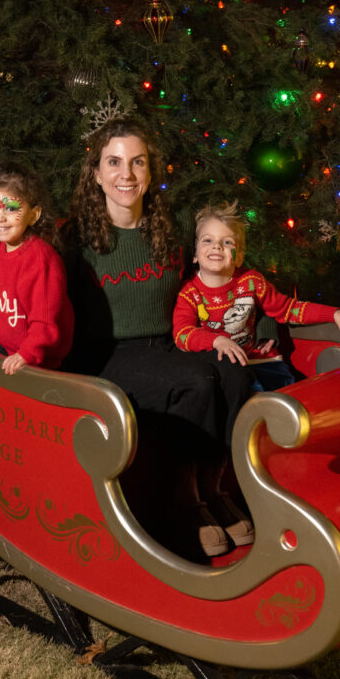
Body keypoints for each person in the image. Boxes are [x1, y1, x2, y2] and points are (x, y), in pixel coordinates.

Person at [63, 117, 257, 559]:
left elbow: (214, 275)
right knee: (196, 383)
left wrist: (255, 320)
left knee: (234, 374)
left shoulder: (168, 226)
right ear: (96, 173)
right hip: (107, 354)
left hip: (170, 342)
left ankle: (216, 489)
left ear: (151, 170)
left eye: (137, 162)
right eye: (113, 163)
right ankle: (183, 503)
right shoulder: (75, 239)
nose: (126, 175)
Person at [173, 201, 340, 396]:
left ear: (239, 256)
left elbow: (288, 308)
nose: (216, 246)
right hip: (223, 368)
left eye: (227, 242)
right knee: (249, 400)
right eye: (207, 240)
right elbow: (182, 334)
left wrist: (334, 314)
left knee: (289, 398)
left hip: (261, 360)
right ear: (195, 255)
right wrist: (216, 341)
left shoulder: (251, 281)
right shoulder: (189, 293)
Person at [0, 163, 74, 375]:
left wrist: (26, 354)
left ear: (33, 215)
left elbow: (45, 321)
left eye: (11, 208)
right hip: (9, 351)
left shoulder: (41, 260)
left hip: (43, 360)